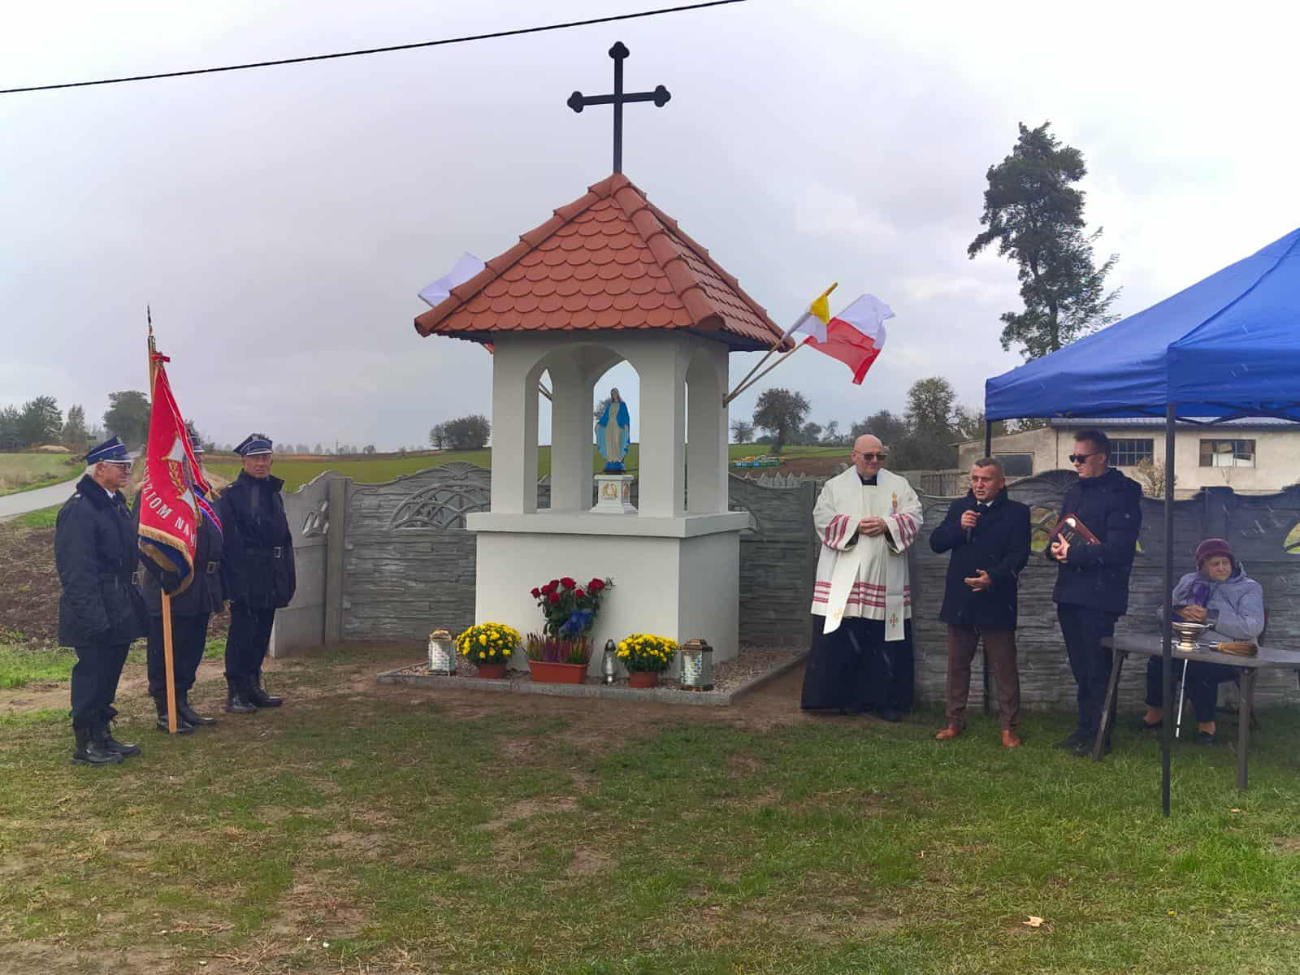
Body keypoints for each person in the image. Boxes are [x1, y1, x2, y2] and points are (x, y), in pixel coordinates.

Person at [801, 434, 923, 720]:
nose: (874, 462)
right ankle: (838, 700)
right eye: (868, 456)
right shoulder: (835, 486)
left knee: (884, 641)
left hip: (885, 576)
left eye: (879, 456)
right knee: (842, 639)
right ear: (853, 455)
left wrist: (887, 523)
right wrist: (854, 527)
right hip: (844, 577)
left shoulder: (898, 484)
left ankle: (886, 702)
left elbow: (915, 516)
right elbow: (821, 518)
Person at [1048, 430, 1143, 756]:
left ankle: (1101, 736)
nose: (1075, 463)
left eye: (1081, 458)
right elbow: (1062, 531)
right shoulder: (1074, 492)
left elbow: (1120, 551)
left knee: (1097, 669)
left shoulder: (1124, 493)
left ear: (1102, 457)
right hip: (1070, 592)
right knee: (1080, 668)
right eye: (1073, 458)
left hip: (1101, 596)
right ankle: (1085, 729)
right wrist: (1053, 549)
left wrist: (1072, 555)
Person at [54, 437, 146, 765]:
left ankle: (102, 734)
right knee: (92, 675)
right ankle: (86, 743)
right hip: (94, 608)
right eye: (119, 465)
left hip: (118, 603)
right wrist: (94, 619)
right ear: (98, 469)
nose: (126, 469)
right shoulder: (81, 509)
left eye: (127, 464)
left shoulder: (113, 503)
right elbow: (77, 572)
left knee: (108, 674)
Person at [928, 458, 1031, 748]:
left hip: (997, 599)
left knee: (1004, 667)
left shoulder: (1017, 513)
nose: (979, 485)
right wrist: (959, 528)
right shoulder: (960, 508)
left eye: (985, 479)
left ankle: (1009, 727)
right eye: (974, 479)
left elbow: (1019, 555)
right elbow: (936, 543)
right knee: (957, 665)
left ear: (1001, 482)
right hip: (961, 600)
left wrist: (993, 577)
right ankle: (954, 721)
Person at [1139, 538, 1264, 745]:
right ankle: (1156, 713)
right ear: (1202, 566)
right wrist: (1179, 612)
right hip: (1187, 648)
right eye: (1215, 564)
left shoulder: (1249, 588)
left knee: (1199, 669)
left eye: (1225, 562)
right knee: (1159, 661)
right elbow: (1162, 613)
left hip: (1230, 653)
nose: (1221, 568)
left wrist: (1210, 616)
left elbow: (1252, 626)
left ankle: (1207, 726)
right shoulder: (1188, 581)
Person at [138, 444, 225, 732]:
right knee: (167, 651)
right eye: (191, 457)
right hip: (171, 587)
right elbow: (141, 541)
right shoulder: (153, 494)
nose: (198, 461)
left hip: (200, 586)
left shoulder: (200, 493)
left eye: (199, 457)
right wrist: (164, 573)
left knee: (191, 647)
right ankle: (165, 708)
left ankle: (183, 701)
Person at [218, 434, 295, 713]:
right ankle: (236, 692)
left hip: (271, 575)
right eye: (255, 458)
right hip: (246, 576)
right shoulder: (233, 495)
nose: (261, 463)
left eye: (265, 458)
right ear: (244, 461)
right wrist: (237, 583)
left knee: (261, 633)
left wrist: (285, 575)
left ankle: (253, 686)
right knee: (242, 635)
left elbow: (282, 539)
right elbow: (229, 543)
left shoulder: (272, 492)